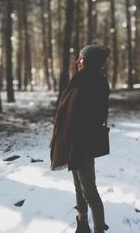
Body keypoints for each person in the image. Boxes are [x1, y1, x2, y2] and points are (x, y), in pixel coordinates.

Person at [50, 45, 110, 233]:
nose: (78, 62)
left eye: (81, 58)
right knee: (78, 186)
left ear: (89, 61)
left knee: (89, 191)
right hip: (73, 142)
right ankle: (82, 223)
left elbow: (91, 117)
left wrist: (75, 137)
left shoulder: (94, 82)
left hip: (83, 144)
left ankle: (99, 229)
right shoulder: (79, 80)